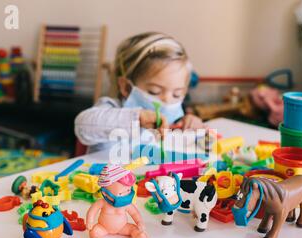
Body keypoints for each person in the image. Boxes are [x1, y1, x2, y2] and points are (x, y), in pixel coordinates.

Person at [74, 32, 205, 153]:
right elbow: (82, 126)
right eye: (155, 91)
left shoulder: (172, 120)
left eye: (177, 94)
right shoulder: (110, 108)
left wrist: (193, 126)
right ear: (126, 87)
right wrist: (136, 118)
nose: (167, 100)